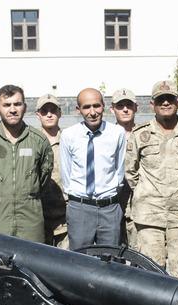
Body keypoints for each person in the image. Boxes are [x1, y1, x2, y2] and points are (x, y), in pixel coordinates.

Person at [125, 80, 178, 278]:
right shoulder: (140, 134)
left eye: (170, 98)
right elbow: (130, 172)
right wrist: (149, 192)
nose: (165, 103)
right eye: (160, 99)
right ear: (152, 104)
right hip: (149, 216)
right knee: (149, 275)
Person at [0, 85, 52, 242]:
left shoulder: (39, 141)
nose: (12, 110)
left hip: (30, 225)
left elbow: (43, 180)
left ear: (24, 107)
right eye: (7, 105)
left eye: (17, 104)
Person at [61, 87, 127, 249]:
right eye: (86, 107)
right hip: (80, 208)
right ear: (78, 110)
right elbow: (66, 173)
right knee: (80, 258)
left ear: (103, 106)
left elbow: (119, 170)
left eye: (96, 106)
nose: (92, 112)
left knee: (110, 257)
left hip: (109, 208)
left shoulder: (117, 133)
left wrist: (108, 195)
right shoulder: (69, 135)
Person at [37, 93, 69, 247]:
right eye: (44, 111)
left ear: (60, 113)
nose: (49, 114)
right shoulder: (32, 141)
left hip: (66, 214)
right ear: (38, 115)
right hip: (40, 214)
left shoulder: (70, 139)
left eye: (53, 110)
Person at [111, 87, 139, 245]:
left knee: (137, 250)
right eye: (120, 106)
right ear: (112, 109)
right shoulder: (106, 135)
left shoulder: (145, 134)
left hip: (138, 204)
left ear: (136, 107)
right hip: (113, 203)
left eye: (129, 105)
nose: (125, 109)